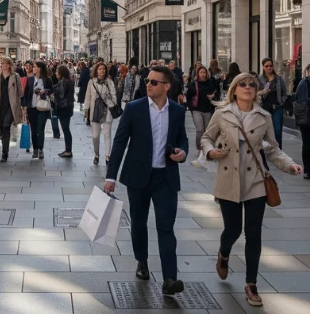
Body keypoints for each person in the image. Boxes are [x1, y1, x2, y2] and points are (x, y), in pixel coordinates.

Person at [201, 72, 303, 307]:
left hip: (256, 181)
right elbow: (207, 137)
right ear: (234, 89)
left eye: (252, 85)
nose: (248, 87)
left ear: (256, 91)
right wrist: (210, 151)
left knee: (254, 233)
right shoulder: (222, 113)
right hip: (228, 180)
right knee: (233, 230)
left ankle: (251, 284)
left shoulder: (264, 117)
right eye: (243, 84)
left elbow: (273, 149)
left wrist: (290, 165)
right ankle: (224, 253)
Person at [104, 65, 188, 295]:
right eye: (147, 81)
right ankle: (142, 260)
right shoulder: (134, 108)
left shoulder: (178, 111)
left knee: (165, 227)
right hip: (138, 177)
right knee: (139, 224)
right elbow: (120, 142)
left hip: (166, 178)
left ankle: (170, 278)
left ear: (167, 86)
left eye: (153, 82)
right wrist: (111, 176)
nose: (148, 85)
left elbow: (183, 139)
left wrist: (182, 153)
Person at [85, 61, 118, 165]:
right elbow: (88, 97)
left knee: (107, 134)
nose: (102, 71)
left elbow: (114, 95)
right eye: (100, 69)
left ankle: (107, 156)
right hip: (95, 111)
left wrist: (113, 105)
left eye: (103, 69)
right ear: (96, 70)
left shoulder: (109, 81)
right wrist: (86, 110)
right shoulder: (92, 82)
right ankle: (96, 154)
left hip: (107, 110)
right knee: (95, 136)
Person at [185, 65, 219, 160]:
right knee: (200, 130)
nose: (203, 74)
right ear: (198, 74)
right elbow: (188, 96)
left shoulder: (210, 83)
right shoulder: (193, 84)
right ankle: (199, 148)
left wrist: (213, 96)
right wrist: (191, 107)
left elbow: (216, 94)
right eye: (201, 72)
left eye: (204, 72)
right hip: (197, 110)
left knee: (207, 130)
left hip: (207, 109)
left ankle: (206, 147)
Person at [23, 61, 52, 159]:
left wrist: (45, 91)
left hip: (43, 108)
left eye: (35, 67)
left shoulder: (47, 79)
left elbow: (52, 90)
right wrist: (25, 106)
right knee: (34, 130)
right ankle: (35, 149)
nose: (33, 68)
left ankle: (41, 149)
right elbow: (26, 93)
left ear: (40, 68)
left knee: (40, 129)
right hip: (32, 107)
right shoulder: (30, 79)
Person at [258, 58, 289, 147]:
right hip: (264, 107)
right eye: (266, 66)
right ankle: (265, 151)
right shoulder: (259, 79)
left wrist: (281, 102)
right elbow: (255, 93)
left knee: (278, 130)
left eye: (270, 66)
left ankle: (278, 151)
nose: (269, 68)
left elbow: (284, 92)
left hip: (277, 107)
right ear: (263, 67)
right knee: (264, 131)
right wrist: (262, 92)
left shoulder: (278, 78)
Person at [53, 64, 75, 158]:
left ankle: (68, 151)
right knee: (66, 129)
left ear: (61, 73)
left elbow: (60, 94)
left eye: (57, 72)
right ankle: (67, 150)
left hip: (64, 108)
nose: (55, 73)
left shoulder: (64, 82)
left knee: (66, 129)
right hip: (66, 108)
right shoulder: (66, 81)